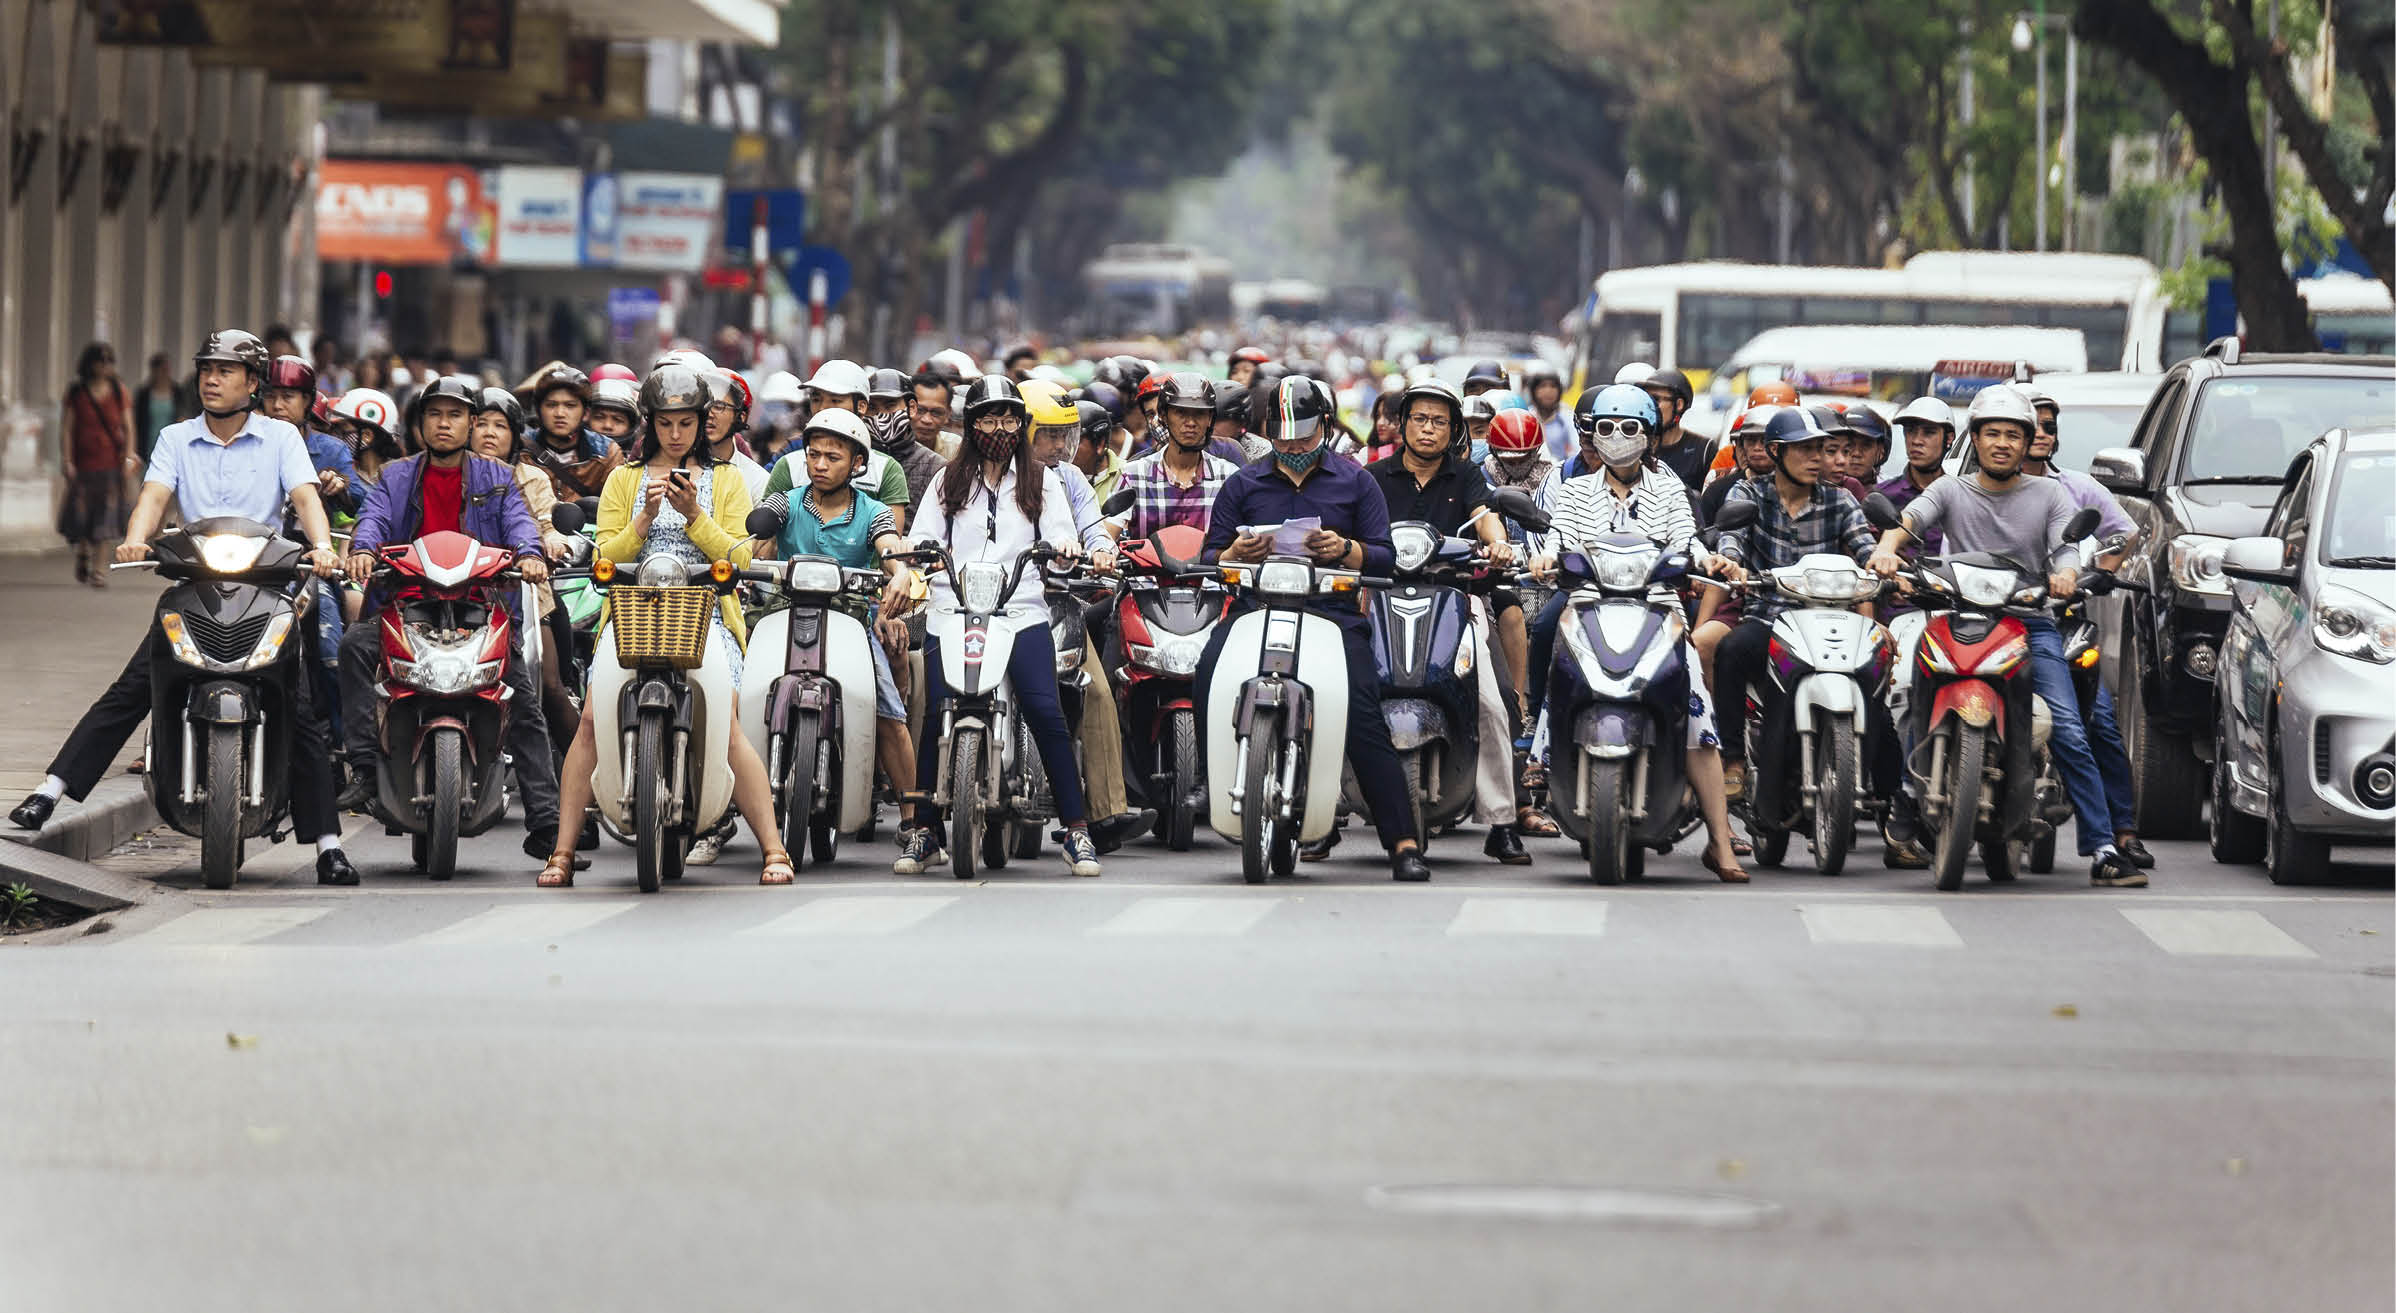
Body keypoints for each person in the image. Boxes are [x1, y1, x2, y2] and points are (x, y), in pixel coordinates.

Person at [11, 330, 352, 885]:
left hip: (267, 585)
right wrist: (134, 538)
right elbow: (152, 497)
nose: (211, 379)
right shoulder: (175, 437)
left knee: (300, 699)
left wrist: (321, 547)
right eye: (206, 369)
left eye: (225, 371)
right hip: (194, 580)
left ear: (252, 382)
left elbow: (308, 498)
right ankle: (50, 792)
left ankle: (329, 846)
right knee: (136, 686)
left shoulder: (281, 439)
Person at [1867, 385, 2144, 888]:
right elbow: (1909, 521)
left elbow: (2065, 546)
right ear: (1975, 439)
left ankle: (2104, 847)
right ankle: (1908, 794)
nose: (2001, 443)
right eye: (1991, 433)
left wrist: (2064, 574)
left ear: (2027, 443)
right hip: (1954, 616)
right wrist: (1887, 548)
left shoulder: (2051, 494)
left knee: (2069, 727)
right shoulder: (1950, 489)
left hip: (2029, 622)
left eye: (2012, 435)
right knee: (1910, 689)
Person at [540, 364, 791, 888]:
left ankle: (773, 848)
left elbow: (739, 555)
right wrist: (642, 522)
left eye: (686, 423)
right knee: (588, 720)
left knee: (727, 727)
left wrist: (695, 514)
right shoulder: (623, 480)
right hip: (632, 614)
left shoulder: (726, 480)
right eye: (664, 423)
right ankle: (562, 853)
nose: (675, 434)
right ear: (648, 424)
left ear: (703, 423)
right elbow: (603, 557)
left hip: (706, 615)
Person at [1195, 376, 1431, 883]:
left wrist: (1345, 550)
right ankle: (1207, 782)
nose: (1294, 449)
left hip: (1332, 614)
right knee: (1207, 675)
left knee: (1364, 716)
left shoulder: (1356, 481)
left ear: (1324, 428)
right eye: (1284, 441)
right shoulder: (1243, 483)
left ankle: (1403, 841)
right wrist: (1237, 553)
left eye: (1303, 440)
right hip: (1255, 608)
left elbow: (1385, 555)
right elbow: (1211, 555)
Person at [333, 375, 563, 866]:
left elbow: (521, 524)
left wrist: (529, 553)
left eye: (455, 415)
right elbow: (372, 518)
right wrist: (363, 550)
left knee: (521, 699)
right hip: (403, 606)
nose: (444, 423)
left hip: (480, 607)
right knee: (353, 646)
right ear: (420, 424)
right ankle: (363, 771)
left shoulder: (497, 478)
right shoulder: (395, 476)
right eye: (435, 414)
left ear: (470, 423)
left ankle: (546, 825)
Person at [1528, 383, 1748, 881]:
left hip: (1659, 611)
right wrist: (1544, 556)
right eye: (1606, 428)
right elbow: (1558, 537)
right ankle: (1542, 753)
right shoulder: (1577, 489)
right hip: (1589, 610)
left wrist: (1710, 560)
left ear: (1649, 436)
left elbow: (1687, 540)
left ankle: (1720, 839)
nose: (1617, 437)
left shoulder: (1668, 487)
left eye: (1630, 428)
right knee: (1560, 672)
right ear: (1592, 435)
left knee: (1697, 721)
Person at [890, 376, 1106, 878]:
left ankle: (1076, 830)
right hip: (952, 610)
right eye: (988, 417)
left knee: (1046, 711)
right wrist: (915, 555)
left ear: (1020, 424)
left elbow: (1059, 533)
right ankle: (925, 832)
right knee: (934, 708)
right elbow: (921, 536)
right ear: (972, 424)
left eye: (1008, 418)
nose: (999, 428)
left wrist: (1067, 548)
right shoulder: (948, 479)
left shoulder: (1044, 480)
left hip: (1021, 609)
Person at [1362, 379, 1537, 864]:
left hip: (1455, 602)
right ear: (1402, 424)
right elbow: (1349, 528)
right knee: (1338, 691)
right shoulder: (1373, 476)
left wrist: (1498, 542)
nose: (1428, 429)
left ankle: (1502, 821)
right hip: (1377, 601)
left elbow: (1485, 517)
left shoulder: (1466, 477)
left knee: (1494, 702)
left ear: (1453, 430)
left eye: (1440, 421)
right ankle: (1317, 818)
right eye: (1420, 418)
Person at [750, 408, 925, 843]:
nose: (821, 465)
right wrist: (752, 550)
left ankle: (914, 820)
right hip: (784, 617)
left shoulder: (874, 511)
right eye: (814, 456)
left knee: (887, 710)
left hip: (851, 621)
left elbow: (889, 547)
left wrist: (898, 571)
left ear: (858, 464)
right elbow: (756, 537)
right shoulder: (785, 502)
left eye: (833, 457)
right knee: (743, 695)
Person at [1709, 406, 1878, 807]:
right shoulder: (1748, 493)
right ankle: (1732, 758)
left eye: (1819, 449)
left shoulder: (1840, 501)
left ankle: (1884, 795)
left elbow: (1865, 549)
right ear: (1776, 452)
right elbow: (1730, 537)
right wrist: (1730, 562)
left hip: (1831, 623)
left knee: (1876, 677)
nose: (1815, 458)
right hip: (1767, 616)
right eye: (1804, 450)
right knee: (1730, 651)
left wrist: (1883, 565)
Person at [2020, 386, 2153, 871]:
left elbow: (2125, 532)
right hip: (1992, 621)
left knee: (2094, 722)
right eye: (2023, 426)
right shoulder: (1969, 489)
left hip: (2061, 624)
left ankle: (2119, 832)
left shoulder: (2073, 490)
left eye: (2047, 426)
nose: (2037, 435)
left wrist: (2098, 571)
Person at [57, 342, 132, 587]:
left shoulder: (119, 391)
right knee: (81, 517)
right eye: (101, 361)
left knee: (105, 518)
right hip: (82, 465)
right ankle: (83, 552)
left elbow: (128, 427)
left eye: (109, 362)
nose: (105, 366)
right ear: (89, 364)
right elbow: (68, 428)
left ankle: (98, 570)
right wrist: (67, 460)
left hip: (110, 465)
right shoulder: (77, 392)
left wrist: (129, 455)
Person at [522, 364, 621, 500]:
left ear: (586, 413)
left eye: (570, 406)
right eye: (551, 405)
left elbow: (617, 507)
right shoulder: (521, 451)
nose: (560, 413)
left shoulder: (606, 453)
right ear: (539, 411)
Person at [133, 352, 183, 469]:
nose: (164, 373)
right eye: (161, 369)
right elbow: (136, 421)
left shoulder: (177, 392)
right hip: (147, 444)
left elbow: (181, 416)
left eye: (167, 369)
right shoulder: (144, 394)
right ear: (154, 370)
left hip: (170, 443)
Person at [1520, 361, 1574, 462]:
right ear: (1533, 391)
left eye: (1553, 386)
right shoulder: (1526, 417)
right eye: (1543, 386)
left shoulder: (1567, 418)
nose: (1548, 391)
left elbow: (1575, 451)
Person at [586, 375, 641, 453]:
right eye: (599, 417)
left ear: (631, 425)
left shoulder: (643, 460)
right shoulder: (568, 456)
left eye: (618, 420)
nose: (607, 425)